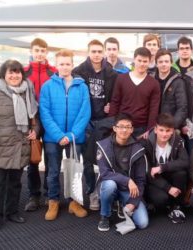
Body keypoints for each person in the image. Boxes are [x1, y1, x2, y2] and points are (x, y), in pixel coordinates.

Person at [0, 60, 39, 231]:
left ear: (22, 73)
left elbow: (35, 115)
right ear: (3, 75)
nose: (14, 76)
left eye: (17, 72)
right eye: (10, 73)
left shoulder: (28, 89)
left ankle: (12, 211)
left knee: (15, 182)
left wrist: (36, 130)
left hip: (20, 145)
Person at [40, 49, 91, 221]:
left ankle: (74, 202)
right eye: (61, 64)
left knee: (74, 170)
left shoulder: (82, 86)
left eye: (67, 63)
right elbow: (45, 113)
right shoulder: (47, 86)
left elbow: (85, 113)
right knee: (53, 171)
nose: (64, 67)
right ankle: (53, 201)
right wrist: (58, 135)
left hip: (75, 137)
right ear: (56, 65)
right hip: (52, 138)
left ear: (72, 64)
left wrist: (70, 135)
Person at [73, 39, 117, 211]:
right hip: (86, 122)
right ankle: (91, 192)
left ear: (104, 53)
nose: (97, 54)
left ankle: (104, 193)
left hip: (104, 122)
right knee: (87, 161)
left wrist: (111, 105)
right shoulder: (78, 72)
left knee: (105, 161)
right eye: (94, 51)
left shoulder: (111, 73)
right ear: (88, 52)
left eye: (100, 51)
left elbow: (116, 96)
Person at [96, 113, 149, 232]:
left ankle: (122, 203)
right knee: (109, 185)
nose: (124, 130)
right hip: (111, 185)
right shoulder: (103, 145)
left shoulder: (138, 149)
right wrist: (128, 180)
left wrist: (133, 203)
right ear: (114, 128)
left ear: (132, 129)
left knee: (143, 223)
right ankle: (105, 216)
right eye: (121, 126)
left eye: (128, 127)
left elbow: (141, 180)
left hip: (129, 190)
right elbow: (104, 173)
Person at [24, 38, 57, 212]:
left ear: (46, 52)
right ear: (31, 50)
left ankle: (49, 194)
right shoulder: (24, 72)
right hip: (32, 120)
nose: (39, 54)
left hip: (50, 119)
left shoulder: (54, 72)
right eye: (36, 50)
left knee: (51, 159)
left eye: (43, 50)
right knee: (33, 160)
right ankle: (33, 195)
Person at [143, 113, 189, 223]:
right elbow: (148, 173)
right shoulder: (146, 143)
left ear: (172, 130)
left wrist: (162, 168)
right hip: (154, 181)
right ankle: (163, 205)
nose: (164, 134)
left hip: (168, 175)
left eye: (168, 131)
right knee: (161, 199)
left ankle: (176, 206)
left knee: (181, 173)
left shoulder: (178, 141)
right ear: (155, 130)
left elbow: (185, 162)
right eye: (161, 130)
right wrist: (168, 188)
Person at [109, 47, 161, 139]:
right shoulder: (121, 79)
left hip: (141, 129)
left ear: (149, 62)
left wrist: (149, 130)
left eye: (145, 61)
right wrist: (112, 125)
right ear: (134, 60)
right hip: (122, 127)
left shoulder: (154, 84)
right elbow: (115, 102)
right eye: (139, 60)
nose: (142, 64)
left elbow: (153, 109)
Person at [154, 49, 188, 129]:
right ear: (156, 64)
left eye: (166, 61)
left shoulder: (178, 81)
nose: (164, 64)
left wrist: (172, 126)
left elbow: (182, 108)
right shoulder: (151, 79)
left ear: (171, 63)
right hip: (153, 126)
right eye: (160, 62)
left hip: (170, 126)